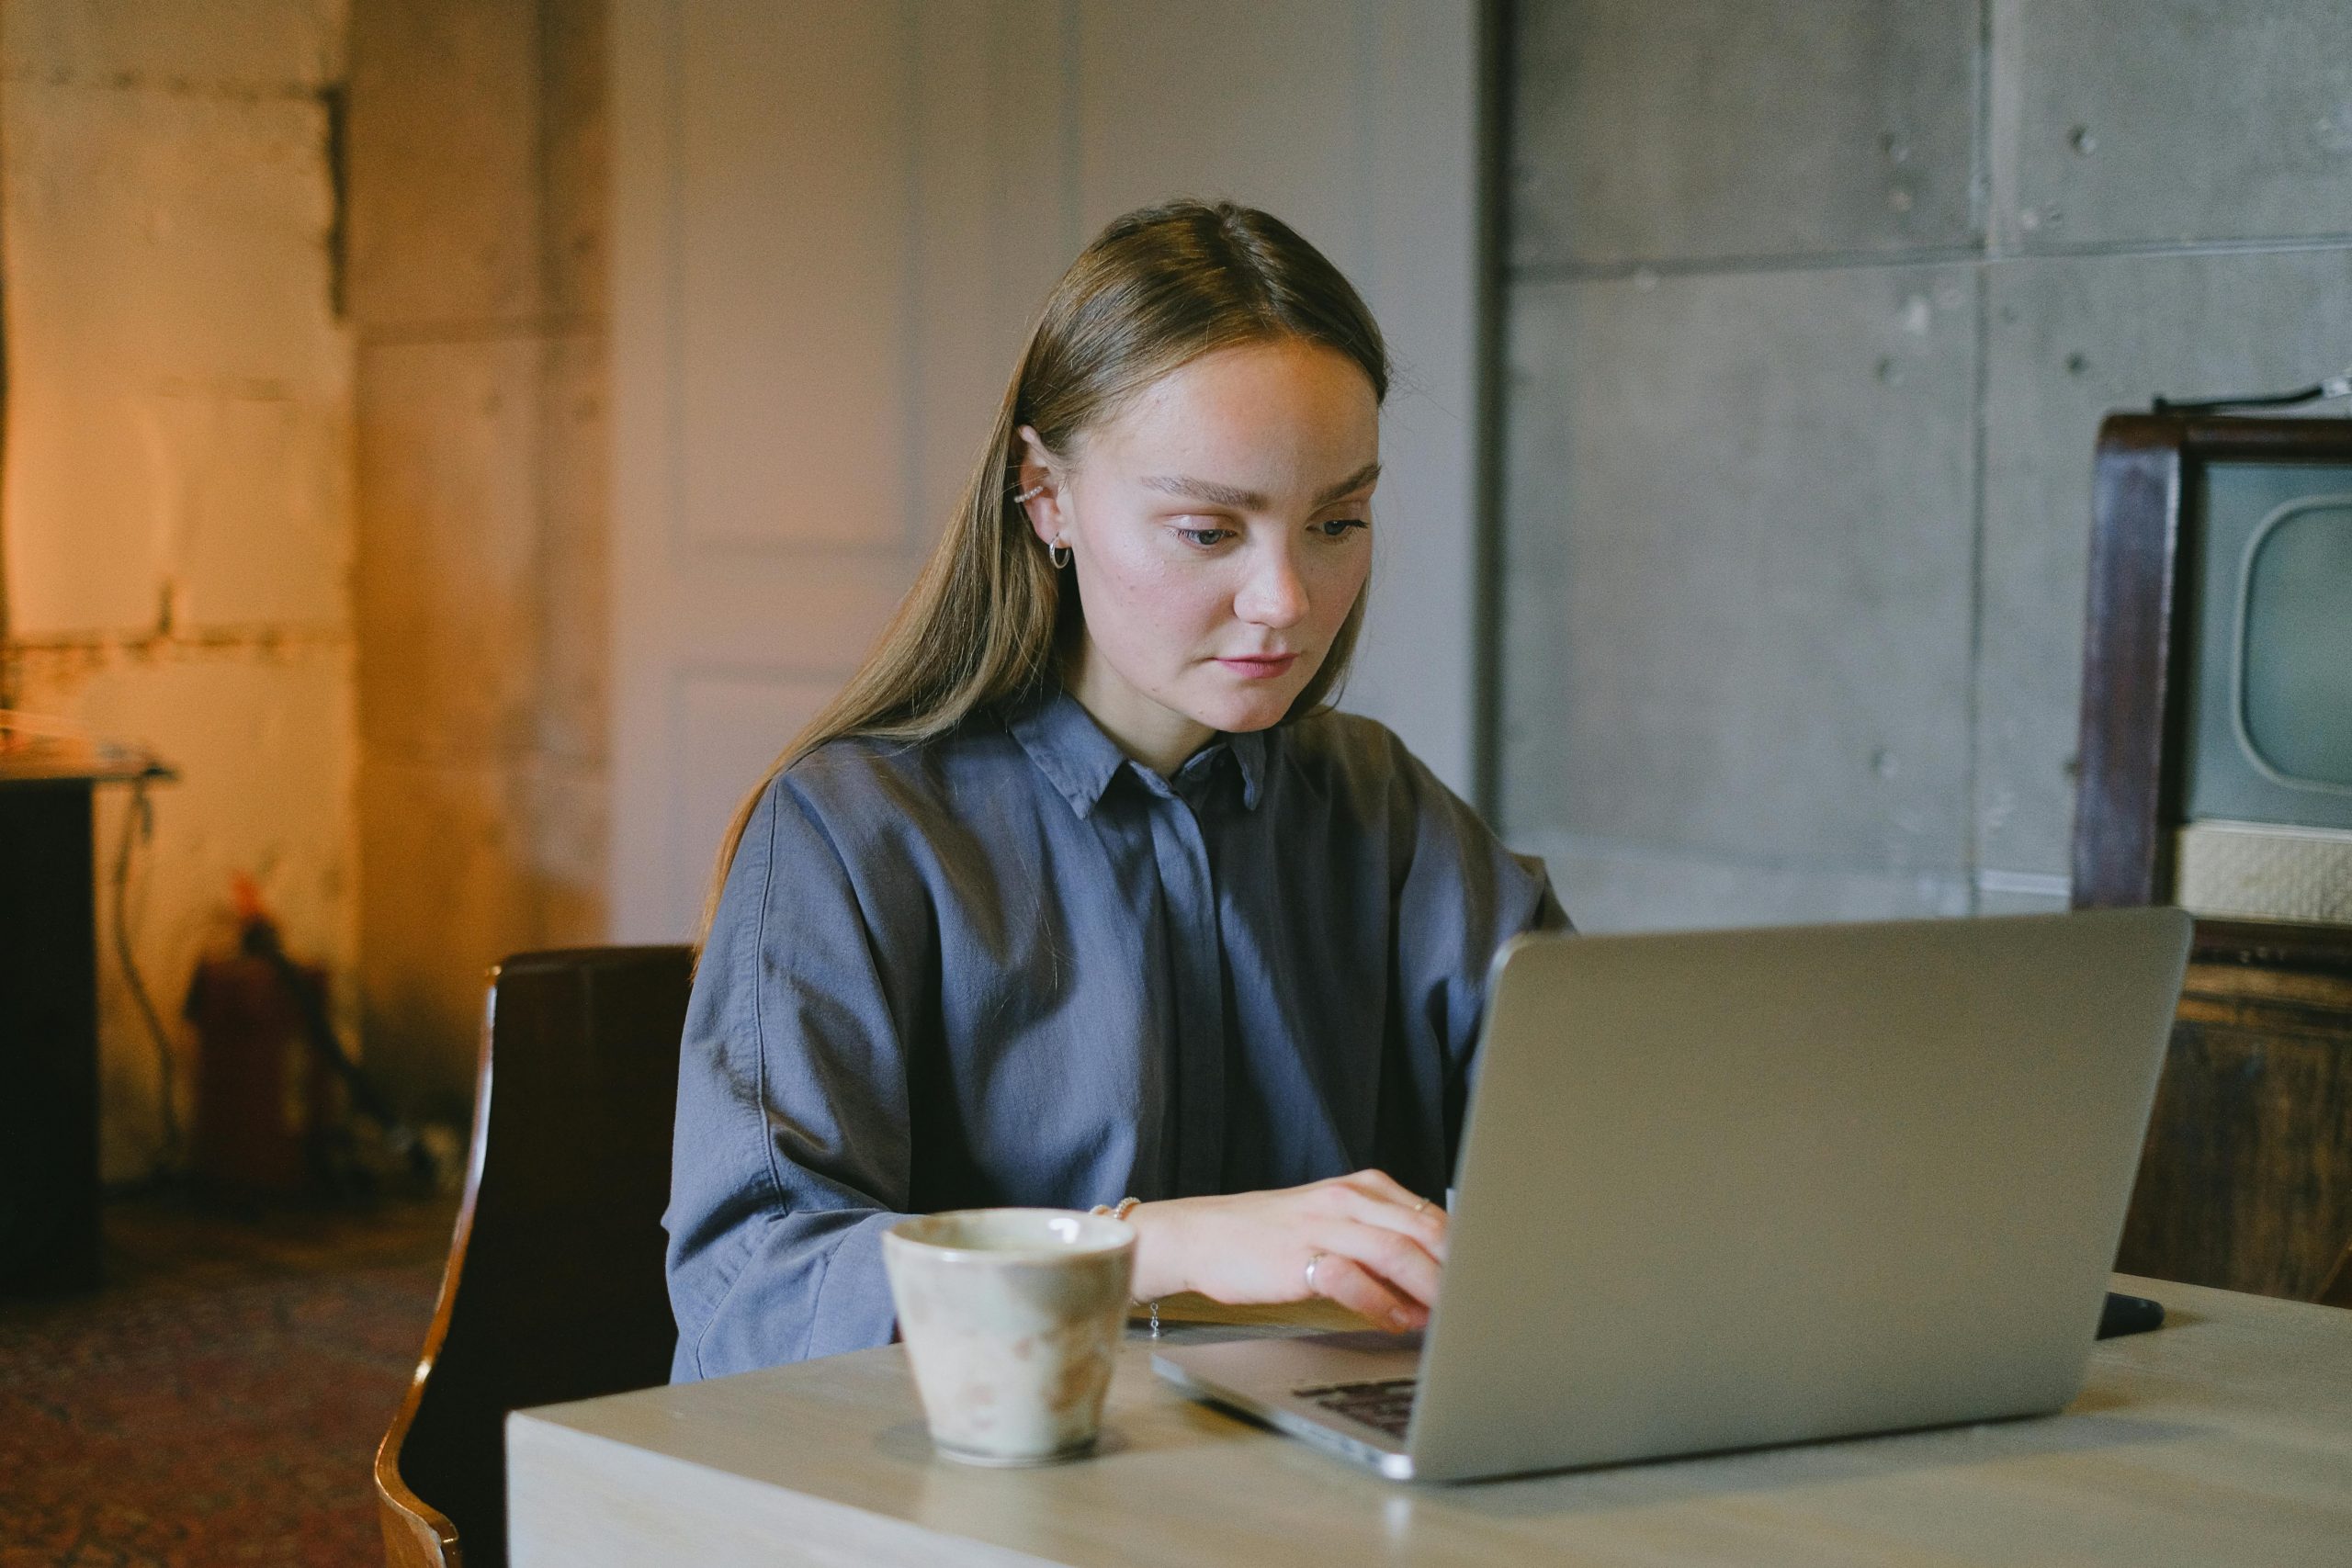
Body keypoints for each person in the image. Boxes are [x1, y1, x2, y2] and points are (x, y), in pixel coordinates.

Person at [665, 198, 1567, 1382]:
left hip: (1295, 1483)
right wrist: (1150, 1245)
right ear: (1048, 496)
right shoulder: (853, 831)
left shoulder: (1380, 808)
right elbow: (755, 1291)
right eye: (1208, 530)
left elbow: (1595, 1139)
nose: (1286, 599)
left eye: (1339, 520)